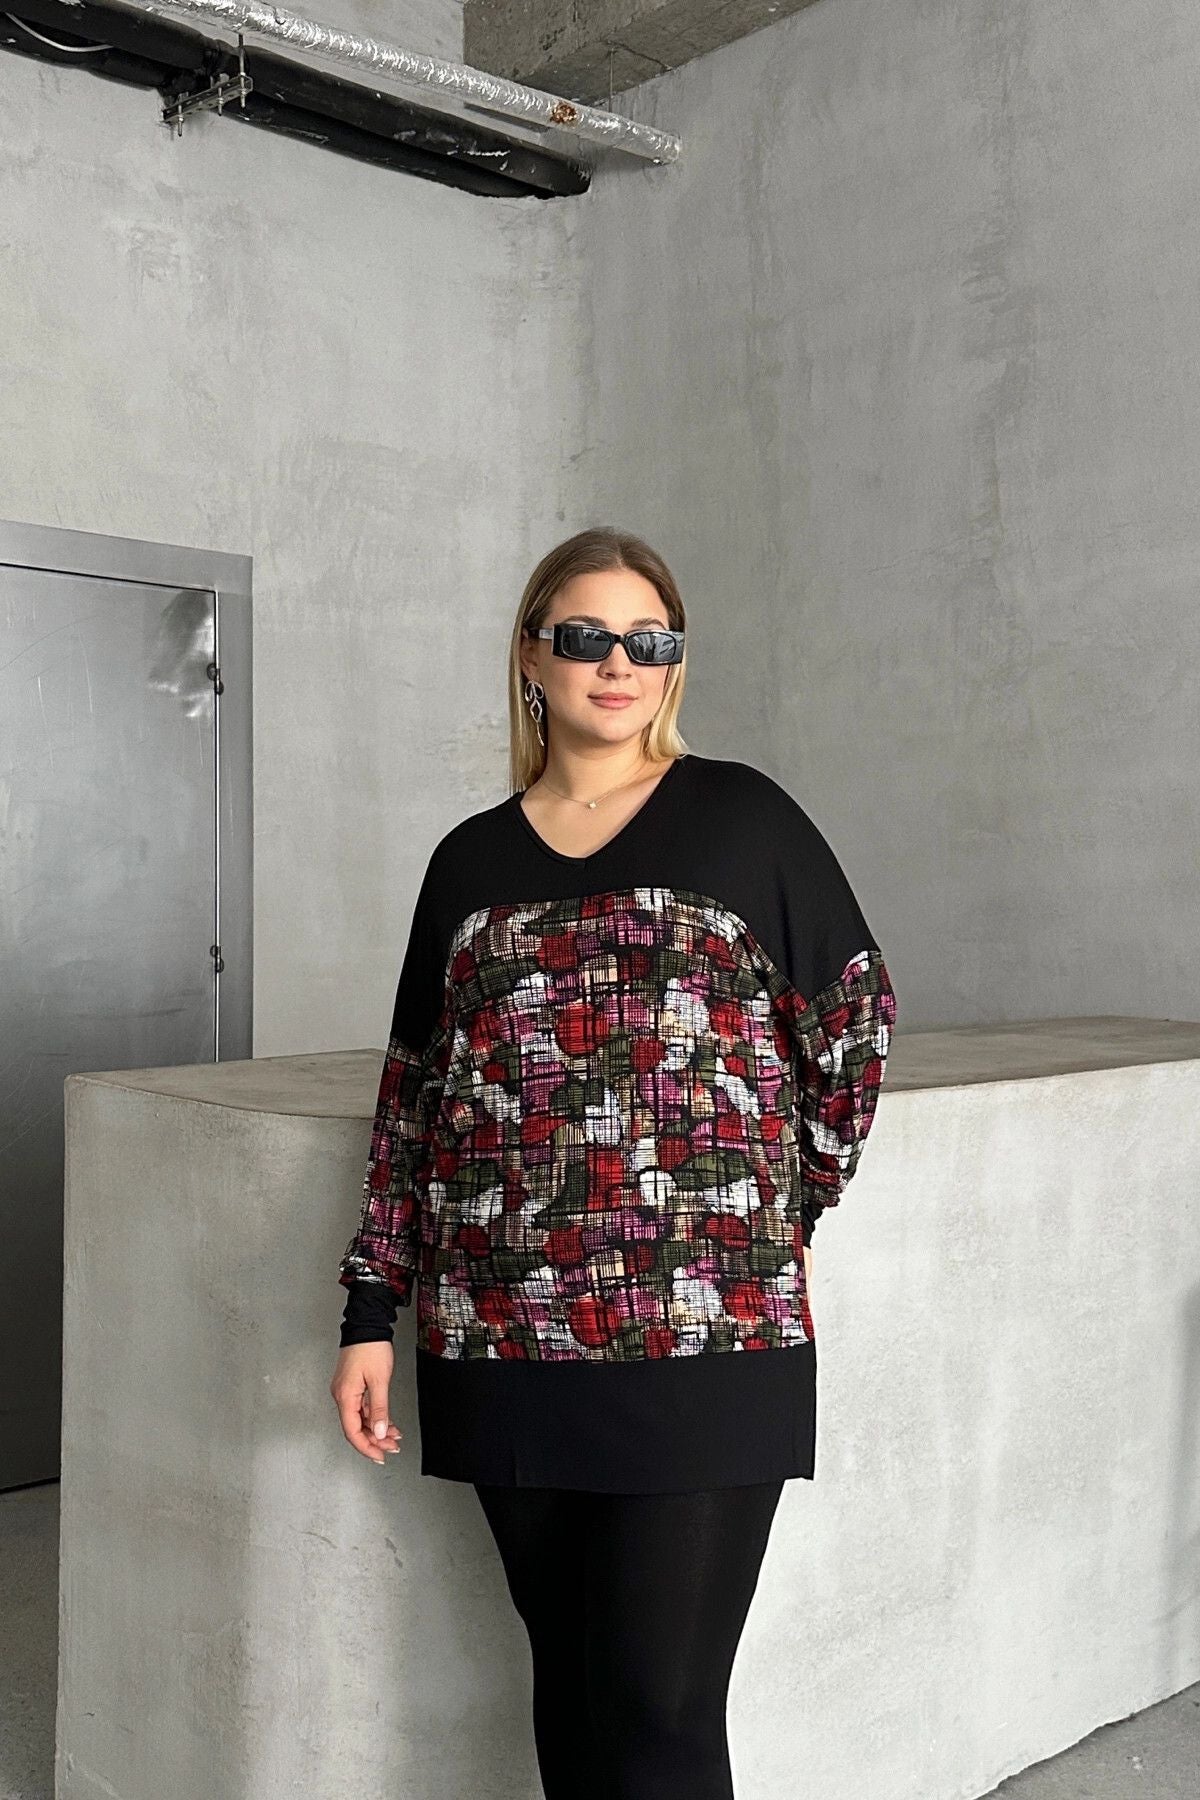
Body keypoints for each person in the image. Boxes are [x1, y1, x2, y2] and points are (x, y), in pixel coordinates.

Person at [329, 525, 898, 1800]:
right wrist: (371, 1310)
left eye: (650, 639)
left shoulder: (745, 818)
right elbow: (414, 1103)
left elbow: (855, 1023)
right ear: (532, 656)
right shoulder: (467, 864)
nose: (619, 663)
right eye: (586, 636)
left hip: (707, 1331)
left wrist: (786, 1208)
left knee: (662, 1710)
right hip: (499, 1337)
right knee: (576, 1689)